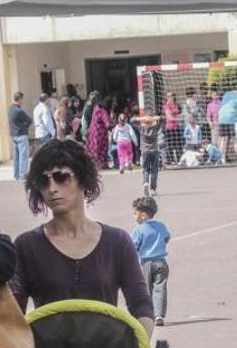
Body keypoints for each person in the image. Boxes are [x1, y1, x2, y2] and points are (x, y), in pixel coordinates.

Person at [8, 140, 155, 336]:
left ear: (83, 180)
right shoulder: (26, 246)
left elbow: (141, 304)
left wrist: (135, 343)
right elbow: (11, 317)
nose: (52, 188)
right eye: (43, 181)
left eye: (61, 177)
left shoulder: (117, 241)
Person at [131, 196, 170, 327]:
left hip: (146, 263)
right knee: (160, 287)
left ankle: (146, 315)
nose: (134, 216)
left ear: (143, 215)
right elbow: (166, 238)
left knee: (146, 290)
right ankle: (159, 315)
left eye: (135, 213)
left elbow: (132, 246)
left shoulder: (139, 230)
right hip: (161, 261)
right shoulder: (161, 226)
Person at [9, 92, 33, 182]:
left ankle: (16, 175)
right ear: (19, 99)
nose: (22, 101)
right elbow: (29, 120)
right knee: (23, 155)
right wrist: (25, 126)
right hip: (21, 134)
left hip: (13, 135)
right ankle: (22, 175)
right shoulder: (19, 111)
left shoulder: (10, 109)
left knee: (16, 156)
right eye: (22, 99)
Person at [138, 115, 164, 196]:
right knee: (154, 170)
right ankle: (152, 189)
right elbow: (163, 119)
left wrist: (142, 118)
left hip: (145, 151)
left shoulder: (141, 129)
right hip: (154, 151)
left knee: (145, 169)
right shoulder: (155, 128)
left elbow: (131, 120)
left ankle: (145, 183)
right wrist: (153, 118)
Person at [217, 87, 237, 163]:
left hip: (221, 117)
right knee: (235, 139)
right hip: (231, 118)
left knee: (223, 139)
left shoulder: (226, 94)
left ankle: (222, 158)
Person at [85, 96, 113, 168]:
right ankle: (101, 164)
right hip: (100, 133)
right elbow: (107, 123)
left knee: (93, 148)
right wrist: (112, 127)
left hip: (92, 131)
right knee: (101, 148)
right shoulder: (103, 111)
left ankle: (94, 164)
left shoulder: (96, 108)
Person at [163, 92, 182, 164]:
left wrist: (179, 118)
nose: (170, 98)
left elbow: (179, 114)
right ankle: (170, 160)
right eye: (168, 96)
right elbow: (169, 117)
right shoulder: (166, 106)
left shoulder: (176, 105)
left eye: (171, 96)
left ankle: (179, 160)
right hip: (169, 128)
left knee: (178, 144)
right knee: (170, 145)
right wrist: (179, 118)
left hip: (177, 127)